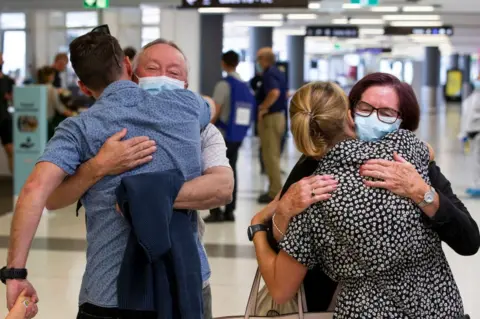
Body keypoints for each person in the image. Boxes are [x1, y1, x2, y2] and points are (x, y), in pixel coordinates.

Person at [4, 32, 225, 319]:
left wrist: (15, 273)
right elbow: (212, 106)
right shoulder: (186, 105)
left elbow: (35, 190)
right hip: (180, 286)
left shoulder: (79, 128)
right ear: (129, 65)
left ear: (82, 86)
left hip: (107, 294)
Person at [261, 73, 480, 312]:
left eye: (387, 113)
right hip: (425, 306)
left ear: (402, 121)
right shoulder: (310, 175)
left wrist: (424, 193)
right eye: (365, 108)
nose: (373, 118)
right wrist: (282, 214)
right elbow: (288, 250)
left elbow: (468, 240)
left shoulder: (411, 166)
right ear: (349, 113)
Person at [204, 50, 255, 223]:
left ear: (223, 63)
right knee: (231, 170)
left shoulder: (224, 85)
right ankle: (230, 210)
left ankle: (216, 210)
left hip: (223, 135)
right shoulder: (244, 85)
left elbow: (215, 110)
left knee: (213, 171)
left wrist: (205, 128)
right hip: (238, 136)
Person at [256, 48, 288, 204]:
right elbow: (285, 92)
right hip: (279, 116)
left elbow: (274, 92)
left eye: (258, 59)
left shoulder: (269, 74)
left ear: (264, 59)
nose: (257, 62)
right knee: (272, 154)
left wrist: (263, 107)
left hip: (272, 118)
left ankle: (274, 192)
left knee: (270, 156)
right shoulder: (279, 72)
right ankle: (274, 189)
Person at [36, 66, 73, 139]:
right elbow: (59, 107)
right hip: (47, 122)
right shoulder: (51, 89)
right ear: (50, 77)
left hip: (36, 120)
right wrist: (71, 114)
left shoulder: (35, 87)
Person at [459, 78, 480, 196]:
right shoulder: (474, 98)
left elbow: (468, 118)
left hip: (475, 134)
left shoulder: (474, 99)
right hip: (474, 134)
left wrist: (463, 134)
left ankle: (478, 186)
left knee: (476, 161)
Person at [0, 52, 14, 173]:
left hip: (4, 119)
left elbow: (14, 99)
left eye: (2, 59)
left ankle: (17, 184)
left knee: (11, 150)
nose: (2, 62)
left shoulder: (8, 80)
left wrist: (10, 97)